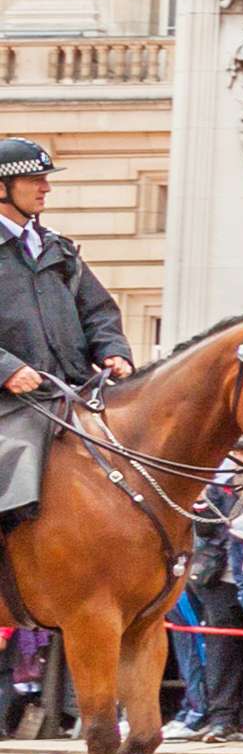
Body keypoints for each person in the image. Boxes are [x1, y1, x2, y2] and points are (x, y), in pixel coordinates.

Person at [0, 134, 135, 535]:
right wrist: (5, 368)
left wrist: (113, 350)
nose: (47, 187)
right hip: (10, 399)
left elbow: (97, 310)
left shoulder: (57, 247)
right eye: (35, 179)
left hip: (71, 390)